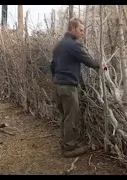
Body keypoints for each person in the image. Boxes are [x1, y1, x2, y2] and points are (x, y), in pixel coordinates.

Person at [50, 18, 106, 158]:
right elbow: (88, 61)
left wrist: (57, 79)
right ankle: (69, 148)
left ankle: (66, 143)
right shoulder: (73, 45)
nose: (82, 33)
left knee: (65, 116)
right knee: (72, 117)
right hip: (68, 87)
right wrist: (101, 65)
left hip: (58, 85)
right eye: (81, 30)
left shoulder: (59, 45)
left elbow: (52, 66)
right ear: (73, 28)